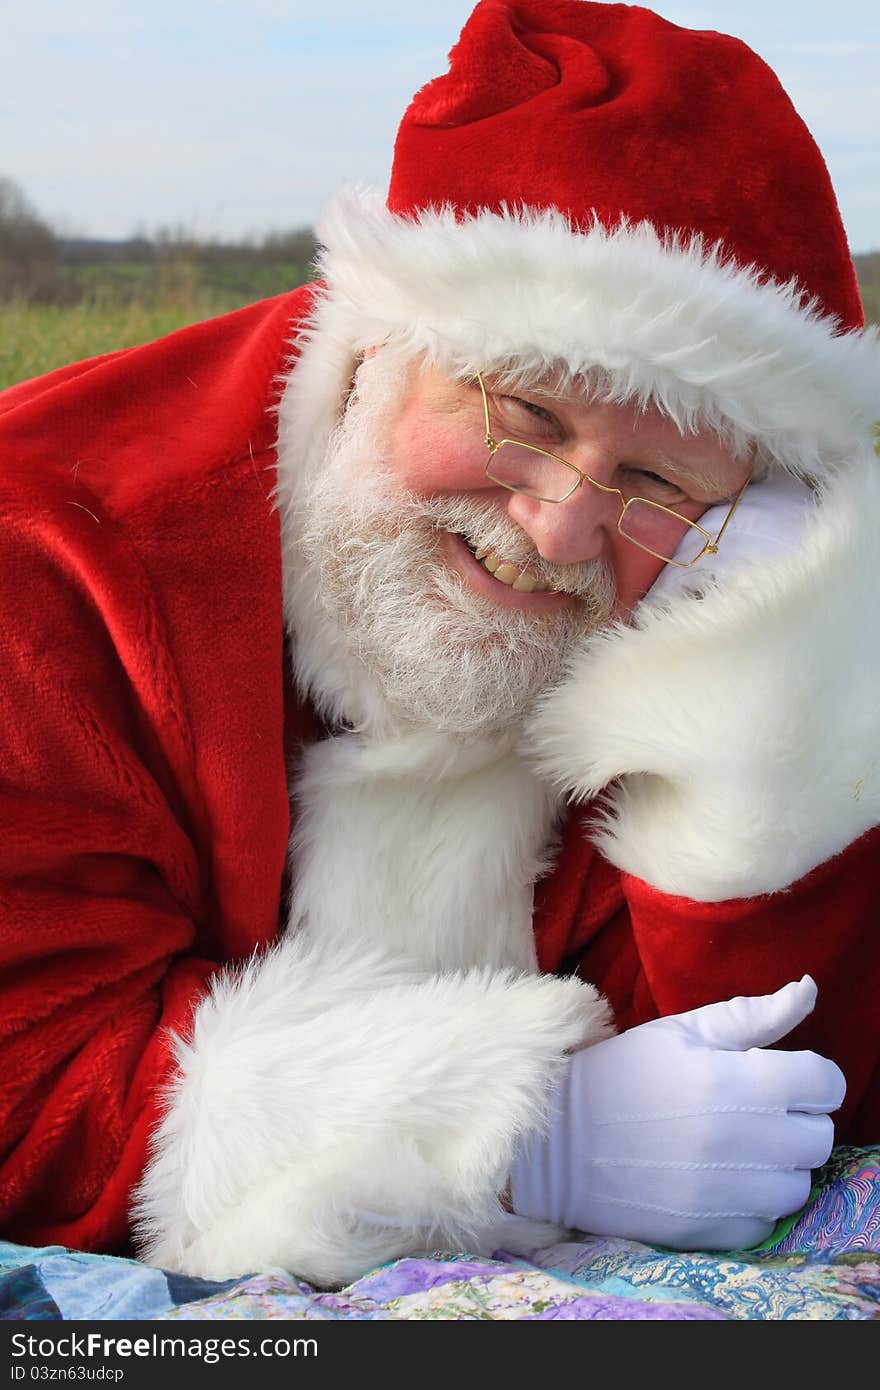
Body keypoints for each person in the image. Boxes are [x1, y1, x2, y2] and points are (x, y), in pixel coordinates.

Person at [1, 0, 878, 1288]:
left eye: (654, 480)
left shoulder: (702, 587)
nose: (564, 524)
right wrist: (508, 1133)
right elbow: (27, 1071)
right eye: (523, 412)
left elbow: (779, 1097)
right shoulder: (57, 545)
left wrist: (766, 696)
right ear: (384, 341)